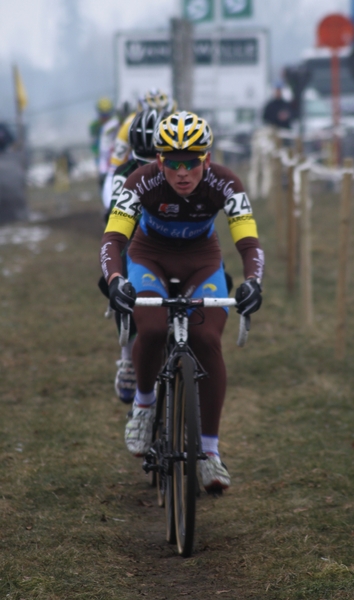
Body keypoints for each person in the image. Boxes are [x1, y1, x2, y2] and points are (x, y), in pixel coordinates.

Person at [100, 111, 264, 493]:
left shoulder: (226, 183)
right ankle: (143, 406)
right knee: (154, 328)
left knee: (207, 340)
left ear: (206, 159)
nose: (183, 172)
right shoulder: (140, 181)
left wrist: (254, 281)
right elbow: (112, 240)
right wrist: (115, 279)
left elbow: (249, 242)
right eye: (173, 162)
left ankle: (209, 453)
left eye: (192, 161)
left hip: (201, 261)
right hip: (148, 257)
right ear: (159, 161)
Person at [99, 107, 173, 404]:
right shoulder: (124, 172)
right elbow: (114, 208)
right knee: (118, 284)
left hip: (175, 242)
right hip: (137, 240)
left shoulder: (176, 166)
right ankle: (128, 355)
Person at [101, 90, 177, 212]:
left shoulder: (183, 124)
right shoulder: (128, 126)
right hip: (139, 177)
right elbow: (112, 172)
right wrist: (111, 206)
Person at [89, 97, 114, 175]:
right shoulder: (94, 126)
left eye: (107, 115)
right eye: (102, 115)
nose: (105, 118)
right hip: (101, 157)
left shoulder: (115, 124)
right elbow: (93, 143)